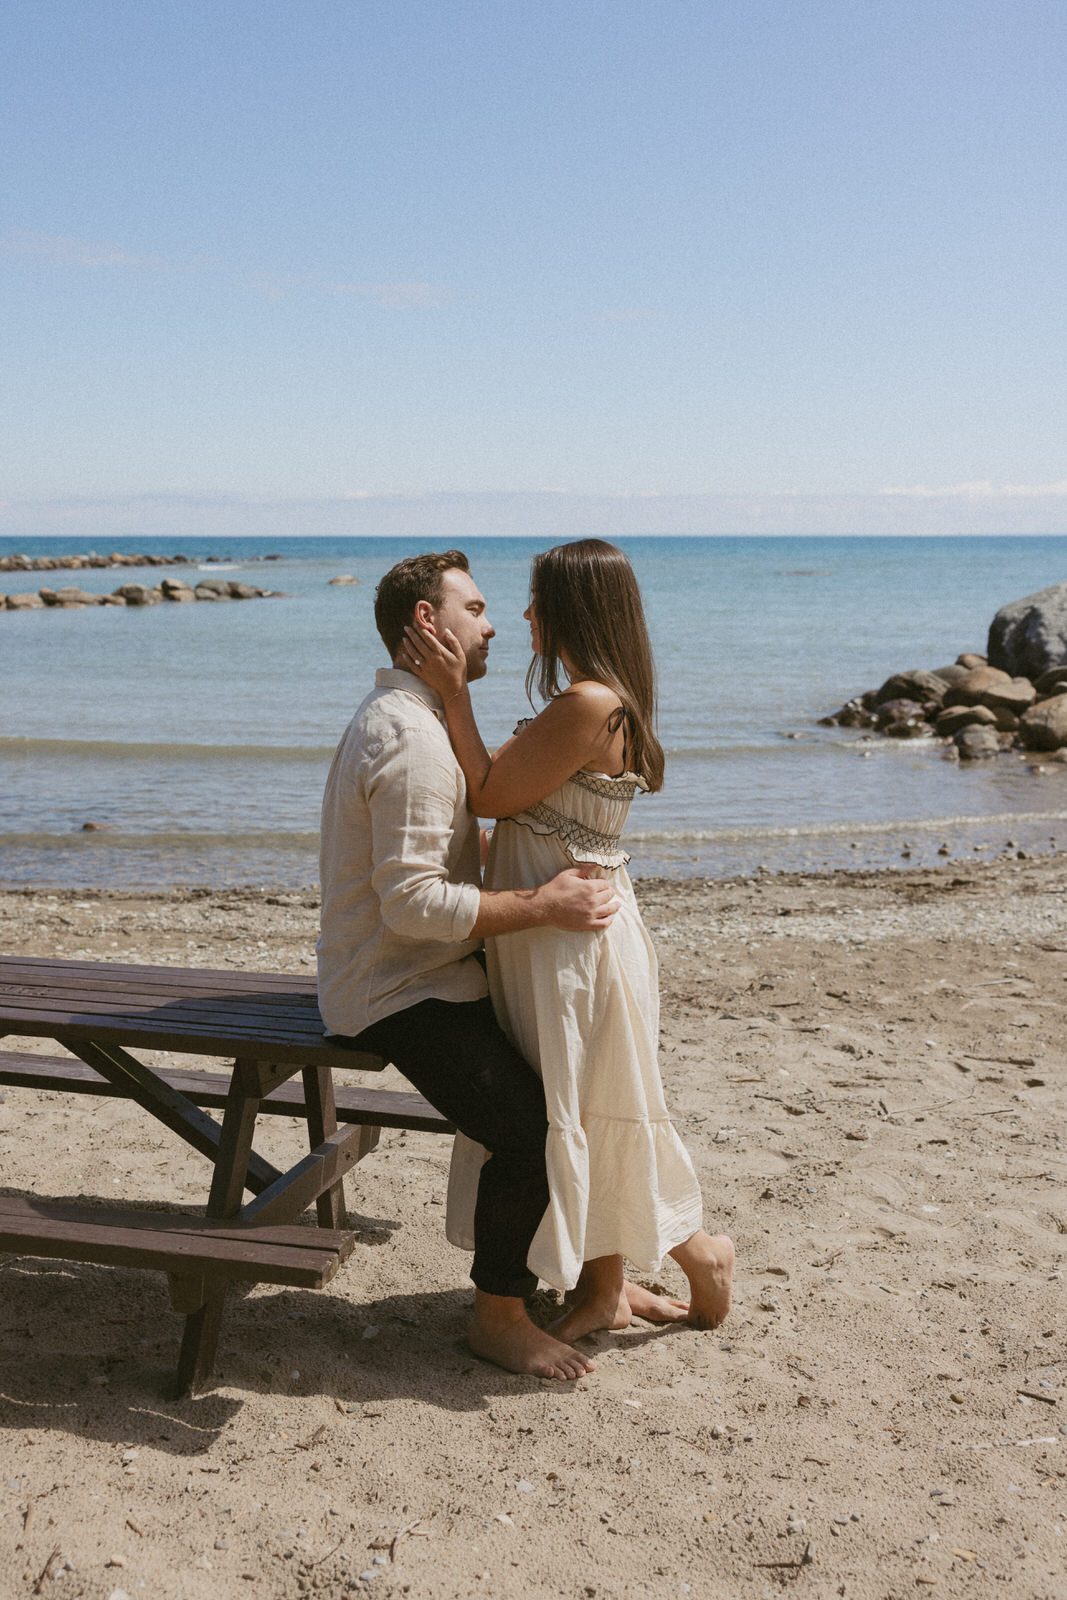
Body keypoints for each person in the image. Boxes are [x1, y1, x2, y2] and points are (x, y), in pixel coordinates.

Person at [402, 538, 734, 1341]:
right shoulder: (595, 699)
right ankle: (608, 1289)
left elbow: (486, 791)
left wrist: (452, 693)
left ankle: (698, 1253)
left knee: (582, 1107)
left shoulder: (588, 702)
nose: (520, 617)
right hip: (558, 934)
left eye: (536, 602)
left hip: (570, 944)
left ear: (574, 609)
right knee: (581, 1104)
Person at [317, 549, 630, 1381]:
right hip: (396, 986)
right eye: (476, 608)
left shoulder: (415, 718)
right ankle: (497, 1316)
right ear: (428, 624)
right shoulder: (413, 738)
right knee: (527, 1129)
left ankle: (609, 1277)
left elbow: (445, 850)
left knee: (568, 1091)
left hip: (419, 970)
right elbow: (412, 905)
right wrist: (543, 906)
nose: (493, 625)